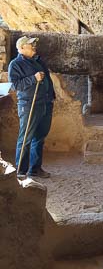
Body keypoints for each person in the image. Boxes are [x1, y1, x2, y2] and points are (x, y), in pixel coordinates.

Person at [8, 36, 56, 178]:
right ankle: (21, 172)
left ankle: (35, 169)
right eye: (30, 45)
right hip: (30, 104)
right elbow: (16, 85)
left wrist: (51, 96)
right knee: (26, 139)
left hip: (44, 103)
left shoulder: (37, 61)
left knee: (39, 137)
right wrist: (33, 78)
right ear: (22, 48)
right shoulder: (15, 64)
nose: (34, 47)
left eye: (33, 45)